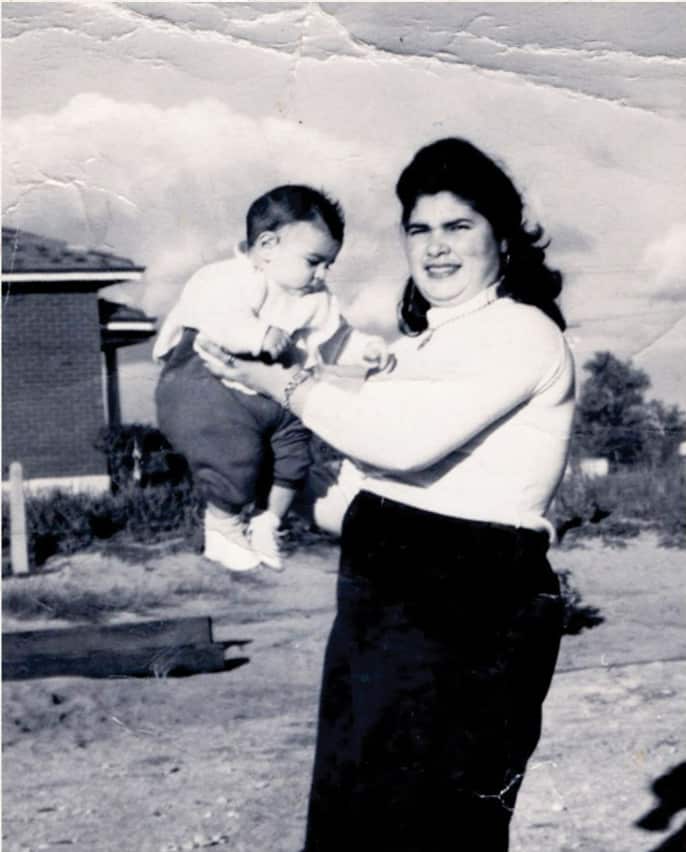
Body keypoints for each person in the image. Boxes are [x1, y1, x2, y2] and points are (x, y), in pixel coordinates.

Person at [204, 138, 576, 850]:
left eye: (458, 226)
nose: (436, 247)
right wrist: (246, 452)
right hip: (384, 592)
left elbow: (402, 443)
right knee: (355, 823)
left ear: (502, 237)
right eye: (419, 229)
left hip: (476, 599)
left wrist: (284, 384)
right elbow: (354, 498)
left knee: (439, 831)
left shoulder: (523, 332)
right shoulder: (409, 352)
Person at [155, 184, 388, 572]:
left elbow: (336, 338)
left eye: (329, 265)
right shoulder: (227, 278)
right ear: (267, 246)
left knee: (295, 457)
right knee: (235, 455)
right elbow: (214, 317)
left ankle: (268, 522)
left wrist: (365, 349)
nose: (322, 274)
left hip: (271, 396)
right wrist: (259, 335)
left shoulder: (317, 298)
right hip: (209, 385)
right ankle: (223, 525)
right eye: (314, 261)